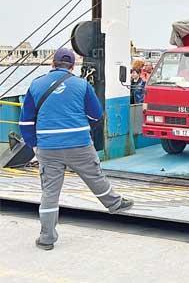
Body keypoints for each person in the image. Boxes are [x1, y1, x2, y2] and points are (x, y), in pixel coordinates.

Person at [19, 48, 134, 250]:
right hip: (79, 143)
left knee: (50, 192)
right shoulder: (81, 85)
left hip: (48, 147)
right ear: (73, 66)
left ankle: (46, 238)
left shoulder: (36, 85)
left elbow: (26, 122)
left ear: (52, 64)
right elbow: (96, 114)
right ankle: (114, 205)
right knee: (95, 176)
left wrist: (34, 145)